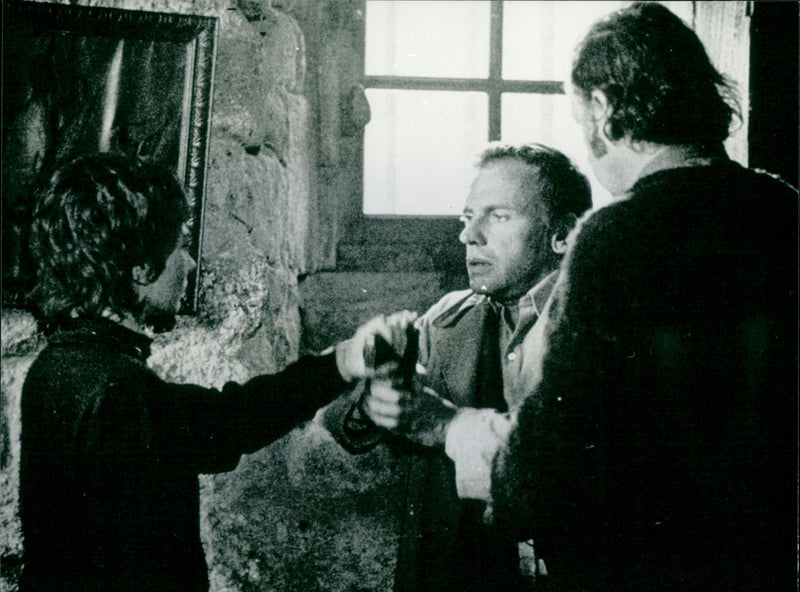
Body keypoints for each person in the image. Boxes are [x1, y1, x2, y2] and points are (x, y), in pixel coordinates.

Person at [487, 3, 798, 591]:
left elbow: (549, 466)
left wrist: (478, 449)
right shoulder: (787, 210)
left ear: (603, 110)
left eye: (580, 117)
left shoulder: (615, 237)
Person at [18, 152, 416, 592]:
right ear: (141, 268)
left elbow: (225, 418)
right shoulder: (122, 388)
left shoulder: (60, 366)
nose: (189, 264)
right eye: (179, 247)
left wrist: (341, 360)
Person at [323, 143, 592, 592]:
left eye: (498, 216)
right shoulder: (451, 319)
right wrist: (378, 399)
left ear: (561, 234)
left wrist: (442, 422)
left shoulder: (601, 324)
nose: (469, 236)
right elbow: (342, 425)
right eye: (467, 218)